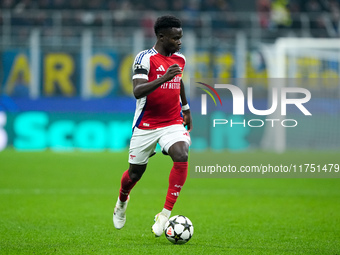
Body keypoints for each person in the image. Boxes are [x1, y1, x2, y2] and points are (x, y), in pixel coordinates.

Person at [113, 15, 192, 237]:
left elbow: (179, 81)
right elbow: (137, 91)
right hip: (146, 124)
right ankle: (122, 200)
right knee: (134, 175)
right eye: (175, 38)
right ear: (161, 37)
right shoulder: (144, 59)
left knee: (181, 154)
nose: (179, 42)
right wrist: (163, 78)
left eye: (181, 38)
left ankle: (164, 215)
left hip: (172, 121)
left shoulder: (180, 59)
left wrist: (185, 108)